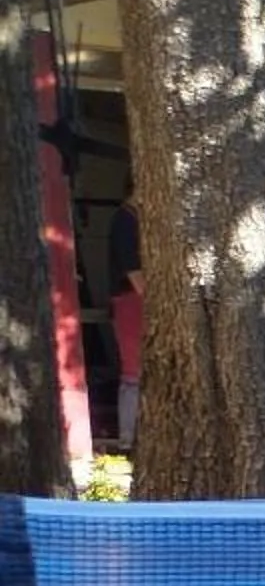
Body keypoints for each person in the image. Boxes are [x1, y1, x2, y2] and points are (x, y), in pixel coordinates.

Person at [108, 192, 142, 451]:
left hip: (136, 300)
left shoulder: (138, 220)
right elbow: (135, 274)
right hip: (131, 300)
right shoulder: (125, 221)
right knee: (133, 373)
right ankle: (128, 439)